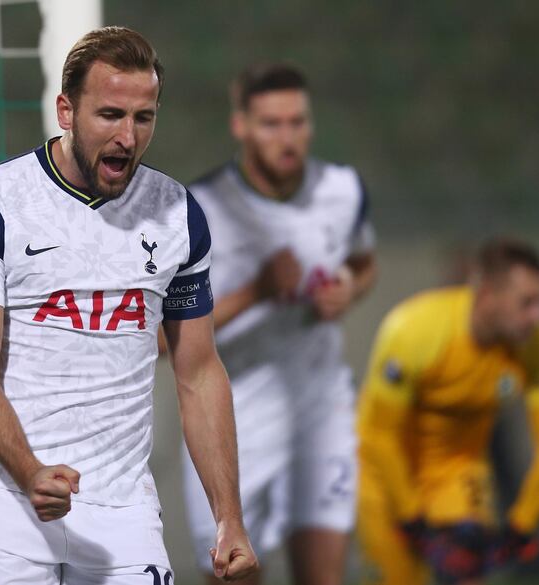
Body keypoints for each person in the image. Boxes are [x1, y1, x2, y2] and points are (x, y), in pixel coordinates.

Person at [0, 26, 257, 585]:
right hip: (3, 496)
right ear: (65, 110)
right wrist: (30, 471)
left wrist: (228, 518)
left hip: (122, 508)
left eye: (144, 118)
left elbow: (199, 373)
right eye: (110, 115)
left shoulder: (179, 216)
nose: (127, 138)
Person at [179, 63, 377, 585]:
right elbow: (160, 337)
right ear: (240, 125)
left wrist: (348, 291)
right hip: (233, 421)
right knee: (235, 576)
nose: (288, 138)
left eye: (298, 122)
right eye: (271, 124)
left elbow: (363, 261)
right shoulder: (200, 210)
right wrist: (257, 292)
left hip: (320, 408)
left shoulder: (342, 190)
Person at [356, 237, 539, 585]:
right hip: (385, 474)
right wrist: (413, 519)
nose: (537, 316)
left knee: (468, 574)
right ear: (487, 295)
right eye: (527, 302)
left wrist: (522, 522)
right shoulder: (414, 330)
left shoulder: (532, 348)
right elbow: (380, 437)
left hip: (457, 470)